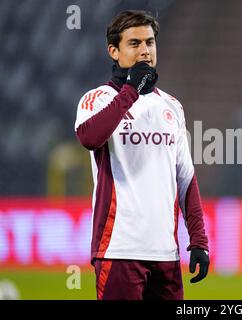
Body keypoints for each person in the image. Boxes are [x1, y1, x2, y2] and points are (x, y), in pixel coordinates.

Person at [74, 10, 209, 300]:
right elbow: (89, 138)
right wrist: (131, 89)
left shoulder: (172, 106)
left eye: (150, 42)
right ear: (114, 51)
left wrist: (199, 239)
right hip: (119, 249)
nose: (145, 51)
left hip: (166, 255)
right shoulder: (97, 99)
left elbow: (185, 179)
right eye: (134, 44)